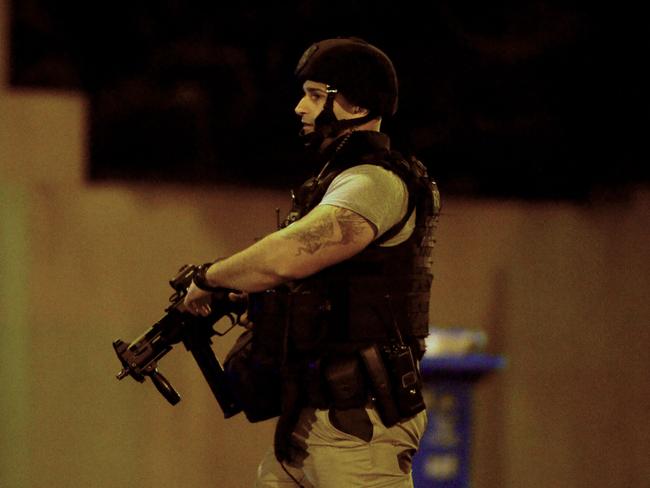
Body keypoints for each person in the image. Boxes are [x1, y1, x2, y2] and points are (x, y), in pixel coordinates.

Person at [184, 37, 440, 488]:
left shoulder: (374, 182)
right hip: (311, 422)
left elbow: (290, 254)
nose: (300, 108)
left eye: (317, 95)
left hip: (357, 428)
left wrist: (210, 277)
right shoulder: (339, 180)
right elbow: (321, 289)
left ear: (356, 104)